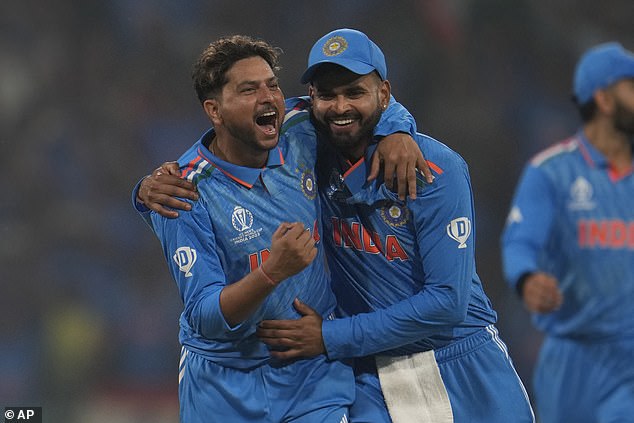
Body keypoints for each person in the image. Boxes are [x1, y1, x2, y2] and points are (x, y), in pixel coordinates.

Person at [142, 29, 535, 423]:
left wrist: (399, 126)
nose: (340, 107)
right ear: (312, 99)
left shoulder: (430, 167)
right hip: (363, 371)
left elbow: (448, 303)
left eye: (354, 93)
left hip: (459, 360)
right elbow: (204, 311)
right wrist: (143, 189)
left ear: (384, 94)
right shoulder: (302, 142)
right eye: (327, 95)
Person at [500, 41, 634, 423]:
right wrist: (527, 280)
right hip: (570, 358)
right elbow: (520, 241)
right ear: (604, 99)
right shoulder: (550, 172)